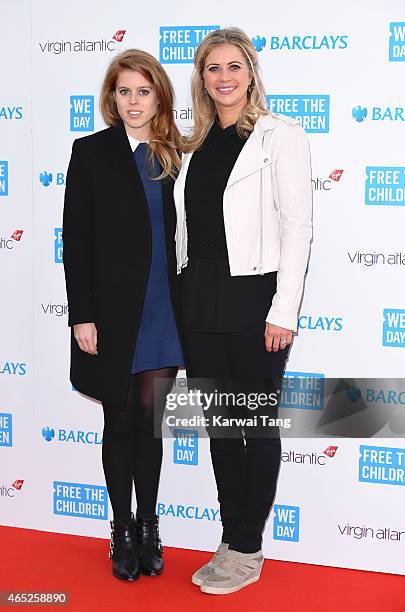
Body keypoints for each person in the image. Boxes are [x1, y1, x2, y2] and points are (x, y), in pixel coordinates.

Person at [174, 28, 312, 595]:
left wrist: (284, 309)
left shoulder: (281, 136)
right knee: (222, 427)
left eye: (234, 66)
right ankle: (231, 538)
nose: (224, 77)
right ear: (202, 79)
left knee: (254, 424)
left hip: (254, 296)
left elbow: (297, 228)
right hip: (198, 294)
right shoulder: (194, 143)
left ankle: (249, 547)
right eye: (212, 68)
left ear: (250, 73)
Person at [62, 49, 184, 582]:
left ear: (159, 96)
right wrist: (81, 315)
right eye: (123, 91)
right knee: (119, 422)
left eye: (143, 91)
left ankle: (151, 525)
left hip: (166, 309)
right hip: (112, 314)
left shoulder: (178, 153)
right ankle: (121, 530)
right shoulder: (89, 153)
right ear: (112, 98)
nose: (133, 101)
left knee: (149, 426)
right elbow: (77, 240)